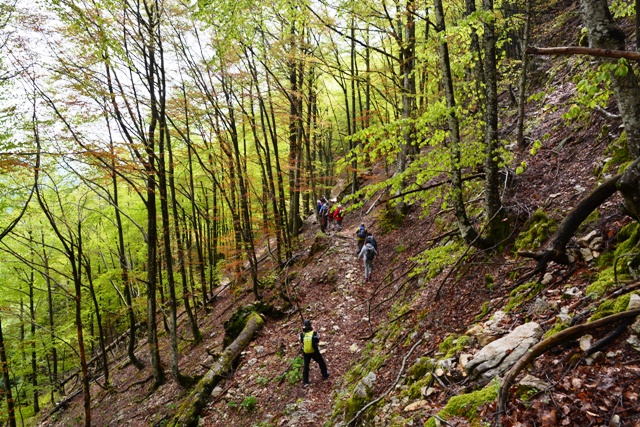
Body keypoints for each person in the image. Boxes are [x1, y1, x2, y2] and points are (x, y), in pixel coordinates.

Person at [299, 319, 329, 386]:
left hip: (306, 352)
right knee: (321, 361)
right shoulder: (314, 333)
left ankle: (305, 381)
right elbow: (317, 340)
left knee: (306, 366)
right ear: (310, 325)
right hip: (314, 351)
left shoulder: (302, 334)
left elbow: (301, 341)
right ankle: (325, 375)